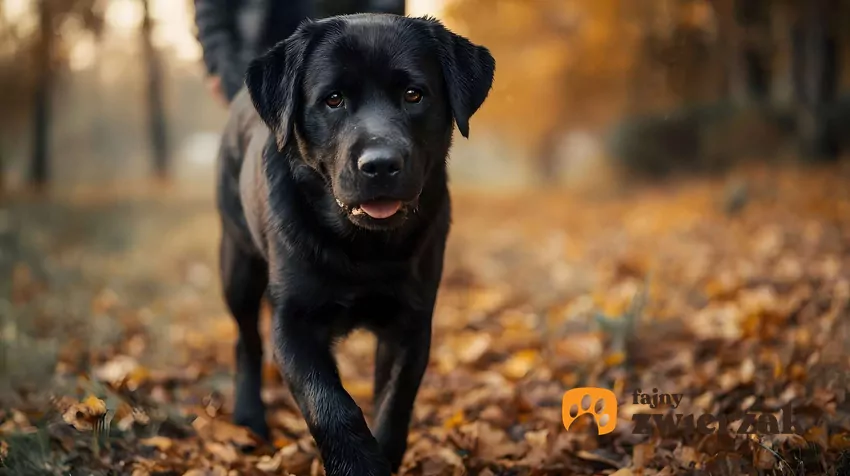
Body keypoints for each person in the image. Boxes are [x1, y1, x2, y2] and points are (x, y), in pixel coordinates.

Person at [194, 0, 406, 106]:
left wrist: (377, 48)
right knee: (257, 176)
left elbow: (385, 3)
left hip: (346, 65)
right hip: (254, 65)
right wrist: (218, 65)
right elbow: (211, 9)